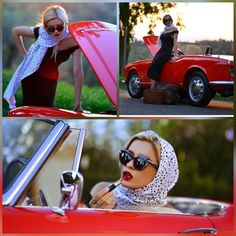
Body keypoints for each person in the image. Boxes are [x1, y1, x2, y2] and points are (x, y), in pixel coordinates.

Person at [4, 5, 84, 111]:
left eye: (59, 27)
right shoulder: (42, 33)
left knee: (46, 110)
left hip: (50, 79)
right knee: (31, 111)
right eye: (51, 29)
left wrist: (78, 102)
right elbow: (16, 31)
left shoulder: (75, 40)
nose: (55, 31)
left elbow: (77, 72)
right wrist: (24, 55)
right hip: (31, 78)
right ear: (46, 27)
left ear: (66, 23)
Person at [88, 130, 181, 213]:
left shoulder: (171, 215)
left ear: (161, 173)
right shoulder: (100, 189)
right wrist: (93, 213)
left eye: (140, 162)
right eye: (126, 156)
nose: (129, 164)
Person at [147, 14, 179, 89]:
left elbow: (175, 43)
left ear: (171, 20)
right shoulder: (163, 31)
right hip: (161, 51)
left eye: (169, 19)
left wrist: (175, 55)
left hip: (166, 52)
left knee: (155, 65)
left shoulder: (174, 30)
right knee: (153, 65)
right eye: (166, 20)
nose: (168, 21)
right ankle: (154, 88)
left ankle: (152, 89)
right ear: (164, 22)